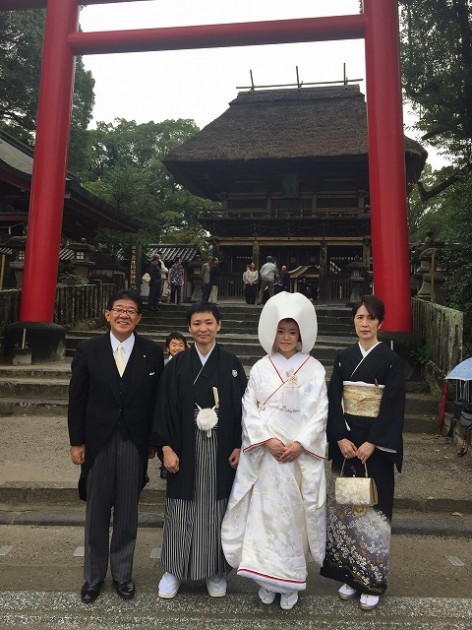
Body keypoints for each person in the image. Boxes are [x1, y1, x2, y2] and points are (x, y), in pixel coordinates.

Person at [221, 292, 328, 611]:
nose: (286, 337)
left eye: (292, 332)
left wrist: (301, 444)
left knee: (293, 519)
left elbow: (320, 412)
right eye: (281, 331)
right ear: (273, 333)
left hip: (296, 457)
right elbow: (249, 407)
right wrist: (266, 440)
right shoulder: (261, 368)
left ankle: (290, 581)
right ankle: (265, 580)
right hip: (268, 456)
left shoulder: (314, 369)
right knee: (264, 518)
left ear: (301, 335)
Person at [68, 289, 164, 604]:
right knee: (96, 511)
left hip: (134, 442)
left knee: (127, 511)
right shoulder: (89, 349)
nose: (124, 315)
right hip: (98, 441)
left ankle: (123, 574)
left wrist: (152, 442)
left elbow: (156, 401)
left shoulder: (152, 352)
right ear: (107, 314)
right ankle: (93, 577)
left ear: (139, 318)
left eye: (131, 310)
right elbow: (77, 398)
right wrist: (76, 441)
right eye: (119, 309)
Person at [152, 301, 247, 599]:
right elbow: (163, 407)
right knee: (181, 507)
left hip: (221, 447)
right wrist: (166, 447)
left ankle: (215, 570)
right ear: (189, 328)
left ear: (219, 325)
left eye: (208, 322)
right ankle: (173, 569)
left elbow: (245, 408)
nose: (203, 328)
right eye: (197, 323)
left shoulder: (231, 364)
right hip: (184, 444)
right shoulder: (177, 365)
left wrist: (240, 444)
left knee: (217, 508)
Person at [320, 294, 405, 611]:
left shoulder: (391, 360)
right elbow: (334, 400)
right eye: (359, 317)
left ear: (380, 323)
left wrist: (374, 442)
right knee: (345, 510)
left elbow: (393, 405)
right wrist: (340, 437)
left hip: (375, 450)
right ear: (354, 321)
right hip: (348, 446)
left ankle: (371, 580)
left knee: (373, 511)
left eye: (370, 318)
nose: (365, 323)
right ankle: (349, 574)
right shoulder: (343, 357)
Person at [159, 331, 190, 480]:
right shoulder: (163, 364)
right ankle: (163, 465)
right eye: (174, 344)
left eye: (181, 345)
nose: (177, 348)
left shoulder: (189, 364)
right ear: (167, 348)